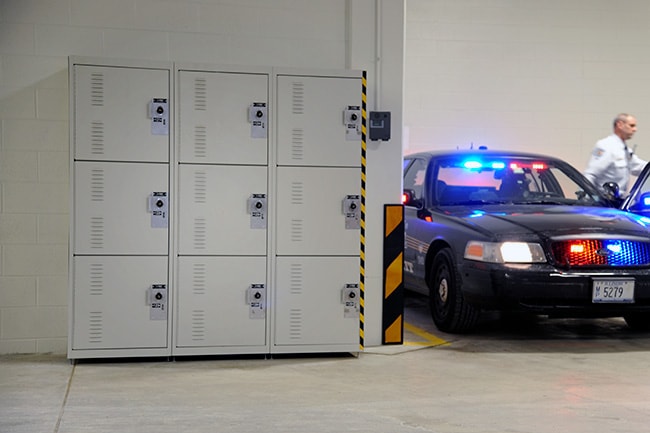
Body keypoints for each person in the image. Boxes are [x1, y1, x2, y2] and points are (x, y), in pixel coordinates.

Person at [584, 113, 647, 196]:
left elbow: (639, 167)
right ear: (620, 125)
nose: (635, 129)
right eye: (631, 126)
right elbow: (591, 174)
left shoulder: (625, 150)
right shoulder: (606, 146)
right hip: (604, 201)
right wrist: (585, 196)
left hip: (618, 201)